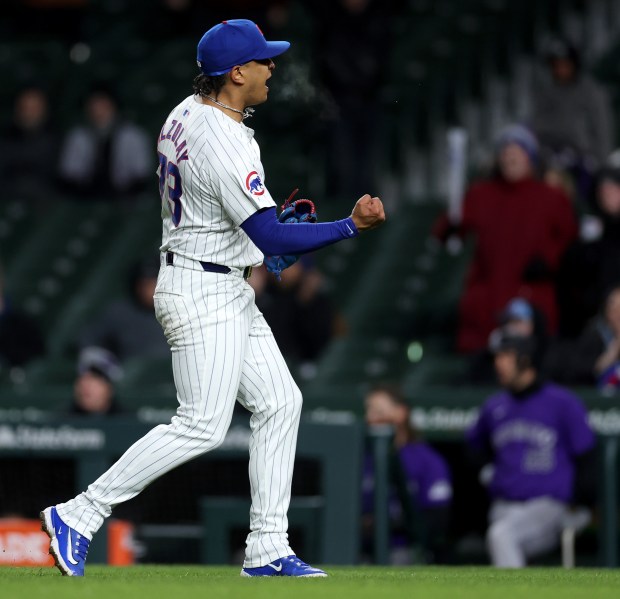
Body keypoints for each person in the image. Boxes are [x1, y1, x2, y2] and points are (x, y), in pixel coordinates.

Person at [40, 18, 385, 578]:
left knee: (280, 403)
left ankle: (268, 547)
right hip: (204, 288)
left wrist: (255, 245)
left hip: (215, 275)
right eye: (263, 60)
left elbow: (245, 228)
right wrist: (348, 226)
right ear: (236, 73)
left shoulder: (186, 111)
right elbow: (271, 236)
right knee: (201, 424)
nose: (273, 67)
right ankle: (80, 512)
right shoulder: (223, 138)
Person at [434, 124, 577, 353]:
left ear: (530, 158)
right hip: (487, 303)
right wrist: (450, 225)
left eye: (517, 151)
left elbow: (570, 241)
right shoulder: (482, 194)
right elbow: (449, 231)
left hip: (531, 298)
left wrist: (549, 260)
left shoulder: (551, 198)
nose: (510, 156)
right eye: (505, 151)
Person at [467, 331, 597, 568]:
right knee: (501, 533)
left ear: (525, 359)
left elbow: (587, 456)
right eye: (497, 358)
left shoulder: (562, 402)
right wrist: (487, 473)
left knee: (501, 535)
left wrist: (583, 503)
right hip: (503, 507)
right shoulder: (494, 406)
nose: (498, 364)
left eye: (505, 356)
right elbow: (475, 448)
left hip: (548, 506)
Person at [362, 384, 452, 564]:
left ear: (401, 413)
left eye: (379, 412)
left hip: (405, 548)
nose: (371, 418)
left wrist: (392, 523)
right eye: (369, 411)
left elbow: (436, 520)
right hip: (361, 549)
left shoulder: (426, 459)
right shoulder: (361, 458)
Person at [529, 38, 614, 206]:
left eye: (565, 64)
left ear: (574, 64)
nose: (560, 69)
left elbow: (603, 131)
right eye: (556, 64)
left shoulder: (591, 92)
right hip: (552, 159)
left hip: (586, 162)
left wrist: (601, 164)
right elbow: (537, 127)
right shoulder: (546, 93)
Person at [556, 155, 620, 338]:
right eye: (603, 189)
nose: (607, 194)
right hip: (595, 318)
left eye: (613, 188)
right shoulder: (590, 229)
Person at [58, 86, 151, 200]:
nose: (98, 111)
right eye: (94, 106)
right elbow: (69, 175)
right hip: (85, 198)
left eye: (103, 105)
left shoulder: (133, 136)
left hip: (125, 199)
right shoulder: (78, 137)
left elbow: (141, 175)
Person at [77, 257, 168, 361]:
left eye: (156, 283)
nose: (151, 290)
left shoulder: (182, 311)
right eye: (146, 285)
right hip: (129, 373)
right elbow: (87, 340)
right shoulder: (118, 312)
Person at [0, 86, 59, 202]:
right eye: (25, 108)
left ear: (44, 110)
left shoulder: (57, 142)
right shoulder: (5, 141)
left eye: (34, 108)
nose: (29, 113)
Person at [69, 347, 124, 416]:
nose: (84, 384)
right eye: (81, 377)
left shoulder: (130, 421)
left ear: (110, 387)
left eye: (94, 377)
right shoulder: (60, 422)